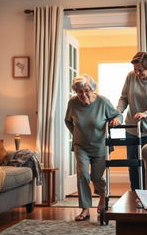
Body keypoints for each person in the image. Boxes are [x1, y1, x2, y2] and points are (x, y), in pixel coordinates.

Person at [64, 74, 122, 221]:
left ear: (92, 89)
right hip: (80, 146)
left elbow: (118, 115)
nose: (83, 95)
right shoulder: (73, 103)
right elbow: (68, 121)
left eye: (86, 90)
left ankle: (102, 195)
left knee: (96, 177)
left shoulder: (102, 102)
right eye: (79, 92)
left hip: (100, 146)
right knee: (83, 174)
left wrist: (116, 119)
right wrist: (76, 133)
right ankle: (85, 209)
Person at [110, 51, 147, 191]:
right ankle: (135, 194)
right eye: (135, 70)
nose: (137, 73)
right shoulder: (131, 76)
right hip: (132, 128)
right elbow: (124, 98)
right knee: (133, 164)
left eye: (140, 70)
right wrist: (118, 113)